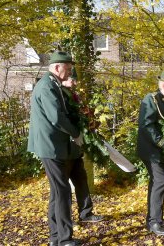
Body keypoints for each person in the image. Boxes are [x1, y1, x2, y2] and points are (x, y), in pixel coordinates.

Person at [27, 51, 101, 246]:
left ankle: (55, 238)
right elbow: (57, 117)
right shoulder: (46, 87)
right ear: (57, 67)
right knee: (62, 192)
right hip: (50, 147)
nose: (70, 72)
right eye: (67, 69)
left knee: (58, 193)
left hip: (57, 146)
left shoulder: (53, 84)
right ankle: (63, 239)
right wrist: (77, 133)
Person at [137, 69, 164, 236]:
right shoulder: (151, 100)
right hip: (150, 150)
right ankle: (155, 222)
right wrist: (163, 143)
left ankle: (154, 219)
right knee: (161, 181)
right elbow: (146, 125)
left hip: (161, 151)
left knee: (157, 182)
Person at [61, 73, 104, 225]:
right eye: (72, 80)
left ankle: (86, 213)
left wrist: (90, 124)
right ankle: (65, 220)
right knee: (63, 186)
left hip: (76, 147)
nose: (74, 83)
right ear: (65, 80)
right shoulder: (61, 95)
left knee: (81, 179)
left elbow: (84, 115)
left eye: (75, 80)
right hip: (64, 146)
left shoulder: (75, 96)